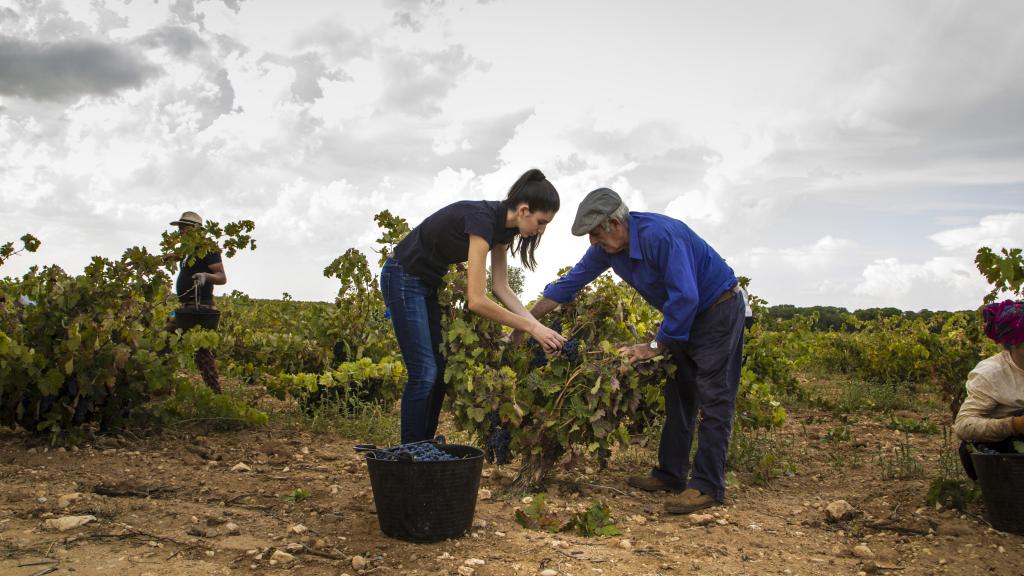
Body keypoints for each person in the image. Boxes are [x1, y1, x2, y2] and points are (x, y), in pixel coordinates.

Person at [527, 188, 745, 515]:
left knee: (715, 399)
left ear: (615, 223)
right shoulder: (609, 249)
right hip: (684, 314)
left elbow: (686, 297)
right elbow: (568, 285)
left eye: (595, 233)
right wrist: (526, 322)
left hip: (717, 311)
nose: (592, 242)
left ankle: (707, 486)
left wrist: (654, 345)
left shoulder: (662, 236)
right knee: (680, 395)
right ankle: (670, 475)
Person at [382, 169, 566, 444]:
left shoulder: (502, 231)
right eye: (541, 222)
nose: (541, 230)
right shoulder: (482, 221)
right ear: (524, 210)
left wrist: (538, 328)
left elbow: (501, 287)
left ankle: (424, 445)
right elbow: (477, 300)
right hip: (402, 276)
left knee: (440, 371)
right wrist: (530, 326)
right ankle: (410, 450)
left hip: (424, 284)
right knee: (424, 371)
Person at [953, 299, 1024, 478]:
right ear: (1014, 342)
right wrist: (1015, 425)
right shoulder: (992, 373)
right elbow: (964, 426)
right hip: (1003, 456)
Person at [167, 211, 227, 394]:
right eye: (180, 228)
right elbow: (179, 258)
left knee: (164, 339)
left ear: (196, 230)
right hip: (188, 307)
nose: (180, 231)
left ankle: (161, 387)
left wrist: (206, 276)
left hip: (200, 307)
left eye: (184, 228)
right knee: (202, 353)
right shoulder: (188, 251)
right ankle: (215, 393)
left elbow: (222, 277)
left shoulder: (209, 248)